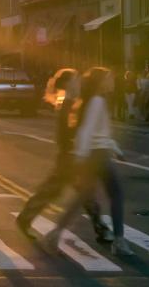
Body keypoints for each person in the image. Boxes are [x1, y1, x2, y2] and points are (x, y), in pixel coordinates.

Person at [42, 67, 133, 256]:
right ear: (101, 82)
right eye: (108, 78)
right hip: (96, 156)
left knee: (82, 197)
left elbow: (100, 133)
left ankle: (55, 233)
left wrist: (116, 149)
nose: (112, 81)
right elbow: (87, 130)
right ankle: (119, 241)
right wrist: (81, 157)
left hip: (96, 154)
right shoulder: (97, 101)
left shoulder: (95, 100)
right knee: (116, 194)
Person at [17, 69, 111, 243]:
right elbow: (64, 133)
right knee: (54, 191)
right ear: (68, 83)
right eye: (75, 79)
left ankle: (101, 229)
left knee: (82, 192)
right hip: (68, 156)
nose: (79, 82)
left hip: (71, 155)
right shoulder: (67, 103)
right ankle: (25, 218)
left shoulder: (72, 101)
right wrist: (74, 148)